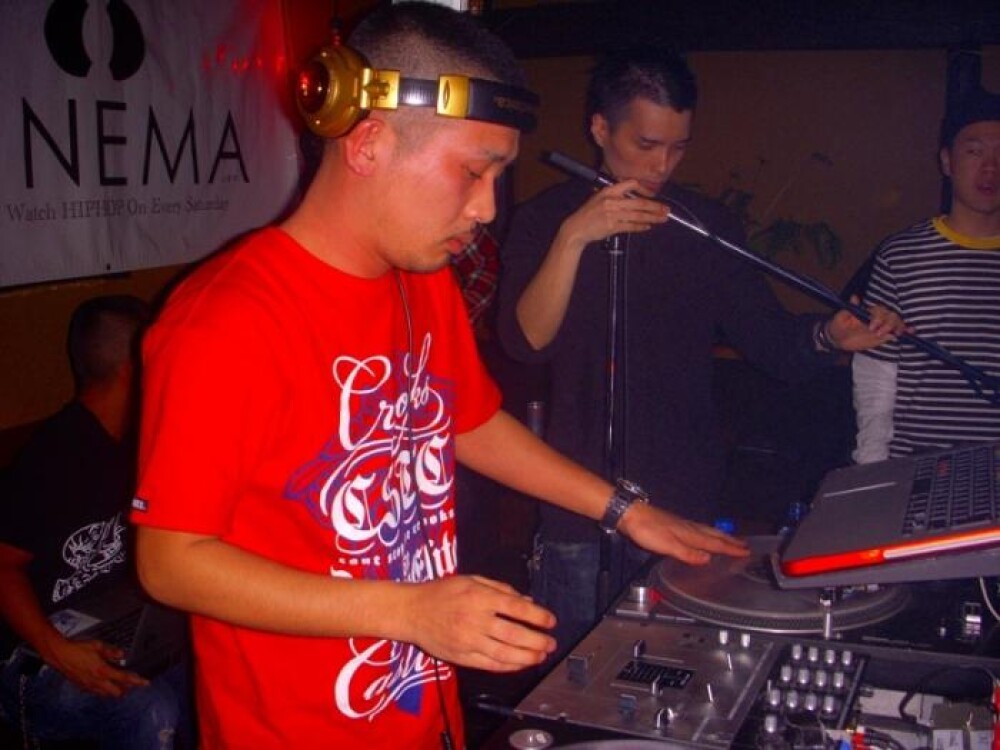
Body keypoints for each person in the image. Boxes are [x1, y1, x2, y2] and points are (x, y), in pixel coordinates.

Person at [128, 5, 749, 749]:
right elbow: (171, 563)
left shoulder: (420, 279)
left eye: (498, 176)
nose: (486, 208)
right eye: (473, 171)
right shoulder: (225, 319)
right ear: (368, 143)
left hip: (423, 709)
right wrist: (410, 612)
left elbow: (469, 422)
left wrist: (623, 510)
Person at [495, 47, 908, 654]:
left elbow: (771, 342)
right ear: (600, 129)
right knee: (576, 678)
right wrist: (575, 237)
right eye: (646, 144)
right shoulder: (547, 218)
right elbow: (525, 343)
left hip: (683, 500)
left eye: (677, 147)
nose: (661, 165)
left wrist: (831, 336)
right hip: (578, 505)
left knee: (679, 670)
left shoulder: (702, 225)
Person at [0, 295, 191, 749]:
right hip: (29, 653)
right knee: (151, 711)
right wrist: (58, 651)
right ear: (134, 367)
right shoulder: (55, 456)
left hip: (106, 625)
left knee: (209, 668)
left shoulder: (132, 441)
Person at [852, 89, 1000, 464]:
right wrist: (872, 464)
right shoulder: (900, 254)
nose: (990, 167)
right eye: (975, 151)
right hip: (916, 463)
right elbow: (877, 371)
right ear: (947, 161)